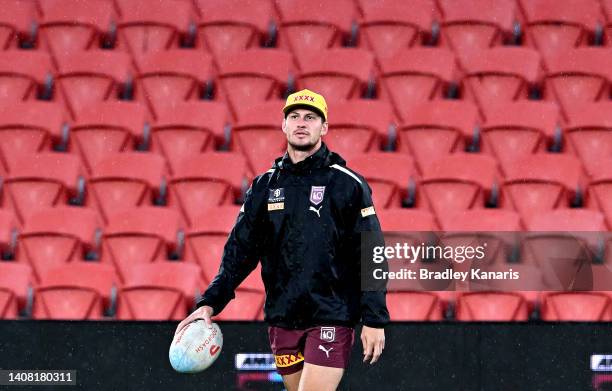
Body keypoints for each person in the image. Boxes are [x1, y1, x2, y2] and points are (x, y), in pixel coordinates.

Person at [175, 89, 389, 391]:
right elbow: (240, 250)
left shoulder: (347, 184)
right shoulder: (264, 187)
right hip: (283, 317)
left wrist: (374, 318)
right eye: (295, 117)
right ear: (284, 125)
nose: (302, 123)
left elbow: (372, 252)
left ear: (324, 128)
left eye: (311, 118)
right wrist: (209, 303)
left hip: (331, 315)